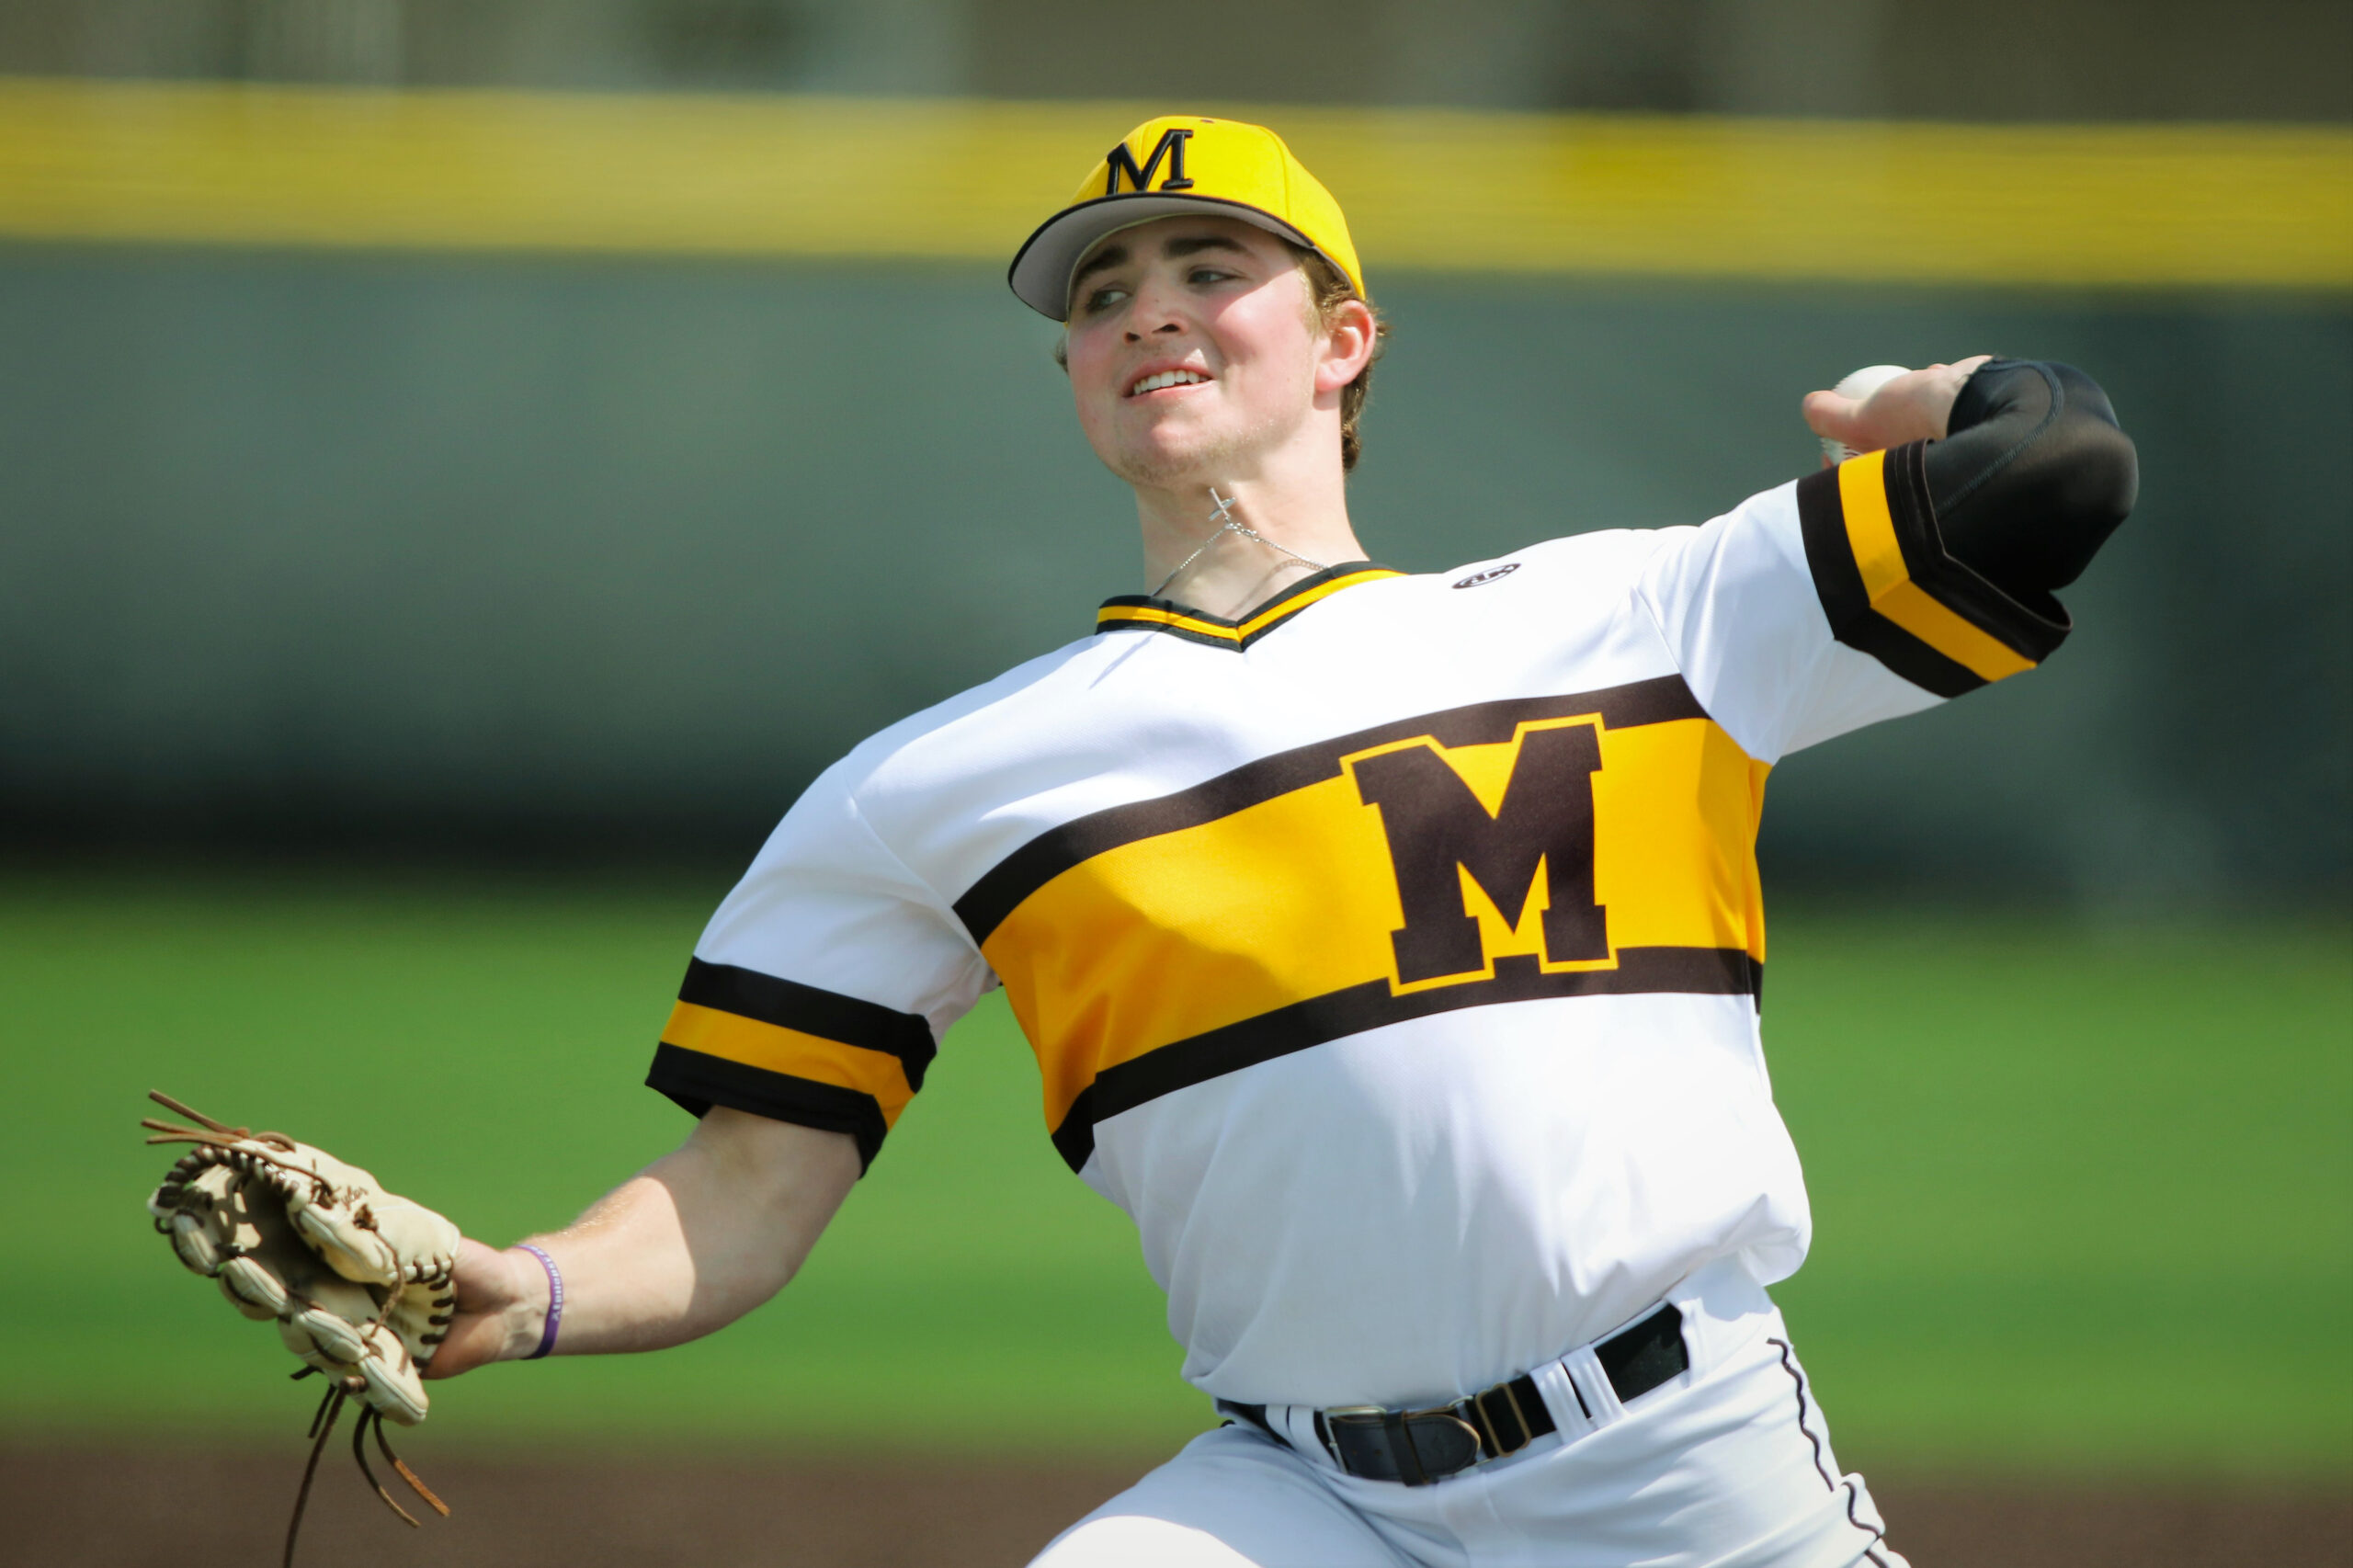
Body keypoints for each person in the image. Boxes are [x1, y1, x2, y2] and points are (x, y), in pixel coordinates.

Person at [426, 116, 2136, 1566]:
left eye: (1206, 271)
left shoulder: (1635, 616)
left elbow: (2055, 463)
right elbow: (747, 1177)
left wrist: (1933, 389)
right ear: (1076, 377)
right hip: (1304, 1500)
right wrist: (525, 1288)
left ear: (1342, 341)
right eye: (1104, 295)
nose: (1148, 312)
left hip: (1678, 1473)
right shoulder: (942, 782)